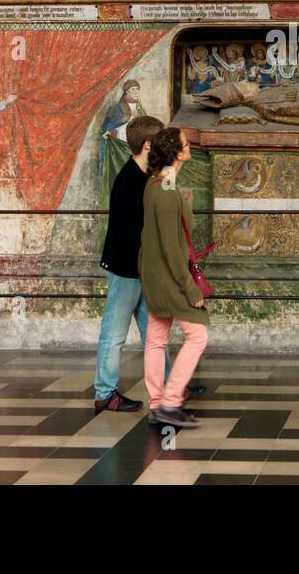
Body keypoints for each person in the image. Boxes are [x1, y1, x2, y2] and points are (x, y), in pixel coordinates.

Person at [93, 117, 205, 413]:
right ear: (147, 145)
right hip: (126, 268)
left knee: (154, 333)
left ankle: (171, 386)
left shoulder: (150, 179)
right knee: (115, 332)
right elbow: (137, 232)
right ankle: (105, 392)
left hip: (144, 271)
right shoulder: (130, 181)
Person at [140, 128, 211, 428]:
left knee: (156, 339)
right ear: (177, 153)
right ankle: (170, 403)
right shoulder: (168, 191)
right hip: (170, 278)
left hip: (152, 275)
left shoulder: (155, 185)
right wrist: (189, 288)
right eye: (185, 143)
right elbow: (172, 247)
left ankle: (157, 403)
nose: (189, 145)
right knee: (198, 335)